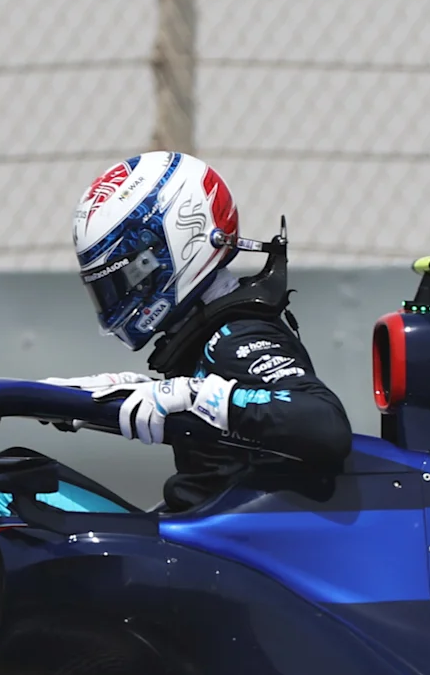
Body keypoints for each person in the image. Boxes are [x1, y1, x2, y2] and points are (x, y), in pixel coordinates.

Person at [68, 151, 350, 511]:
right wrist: (96, 400)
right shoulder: (205, 339)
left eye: (127, 278)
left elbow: (325, 423)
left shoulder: (236, 337)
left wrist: (196, 395)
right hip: (206, 537)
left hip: (238, 553)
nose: (119, 297)